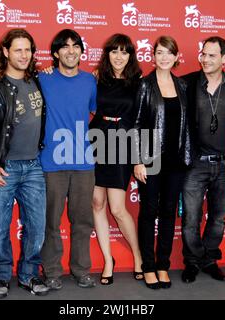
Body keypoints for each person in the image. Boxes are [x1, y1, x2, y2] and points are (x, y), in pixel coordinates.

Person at [0, 29, 49, 298]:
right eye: (18, 49)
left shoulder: (39, 81)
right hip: (3, 168)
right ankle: (1, 277)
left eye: (28, 50)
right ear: (6, 52)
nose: (23, 55)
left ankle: (30, 274)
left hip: (34, 167)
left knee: (37, 227)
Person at [39, 29, 97, 290]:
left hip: (84, 162)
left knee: (83, 221)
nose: (71, 51)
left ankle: (81, 269)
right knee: (50, 222)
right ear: (55, 53)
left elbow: (97, 113)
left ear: (81, 52)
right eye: (65, 46)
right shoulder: (43, 79)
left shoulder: (90, 81)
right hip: (52, 162)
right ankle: (51, 271)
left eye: (76, 46)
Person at [180, 37, 225, 283]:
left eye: (212, 55)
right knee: (191, 218)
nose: (205, 59)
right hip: (195, 163)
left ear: (224, 58)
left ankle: (210, 260)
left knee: (218, 218)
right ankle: (192, 262)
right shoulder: (188, 82)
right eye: (203, 54)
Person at [133, 36, 191, 289]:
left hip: (176, 161)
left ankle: (163, 265)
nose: (164, 57)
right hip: (150, 161)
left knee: (168, 213)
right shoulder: (144, 85)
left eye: (169, 53)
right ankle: (148, 266)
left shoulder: (183, 86)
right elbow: (135, 125)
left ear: (176, 56)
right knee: (148, 212)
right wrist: (137, 161)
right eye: (159, 52)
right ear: (153, 56)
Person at [89, 34, 143, 285]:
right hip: (96, 140)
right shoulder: (96, 78)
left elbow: (140, 121)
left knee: (118, 209)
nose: (119, 56)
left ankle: (138, 257)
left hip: (122, 143)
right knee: (97, 203)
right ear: (107, 54)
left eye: (124, 52)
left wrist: (139, 156)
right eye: (114, 51)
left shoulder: (138, 82)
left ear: (131, 55)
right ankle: (109, 260)